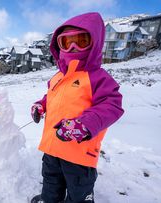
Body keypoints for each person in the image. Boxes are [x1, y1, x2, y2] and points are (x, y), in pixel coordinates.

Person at [30, 12, 124, 203]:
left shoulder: (98, 77)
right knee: (51, 180)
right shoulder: (58, 76)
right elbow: (52, 96)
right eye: (66, 42)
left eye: (81, 41)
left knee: (78, 190)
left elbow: (112, 104)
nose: (73, 47)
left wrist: (84, 124)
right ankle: (49, 199)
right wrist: (41, 105)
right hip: (53, 146)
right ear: (59, 45)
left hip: (79, 153)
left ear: (95, 42)